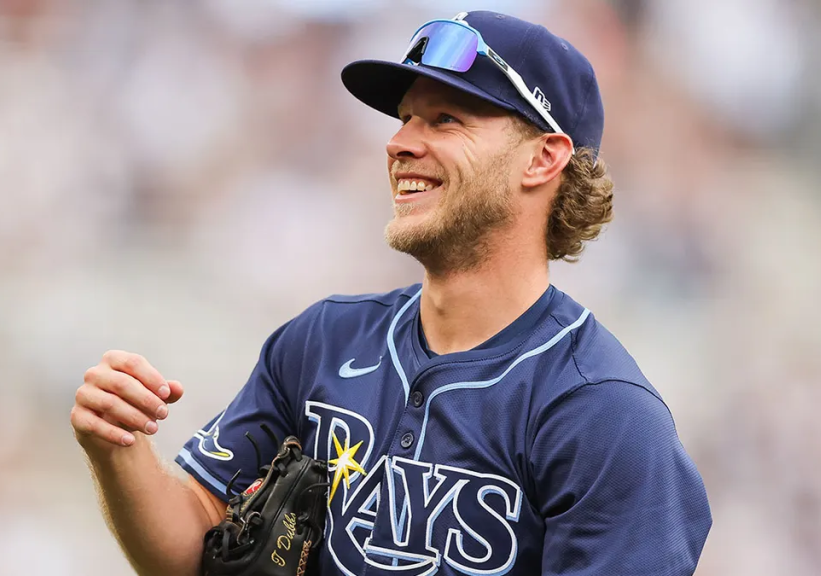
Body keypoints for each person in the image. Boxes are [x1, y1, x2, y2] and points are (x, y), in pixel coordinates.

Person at [71, 10, 712, 576]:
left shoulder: (603, 414)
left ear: (543, 158)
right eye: (405, 118)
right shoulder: (321, 343)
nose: (399, 143)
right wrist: (118, 451)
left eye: (445, 119)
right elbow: (192, 545)